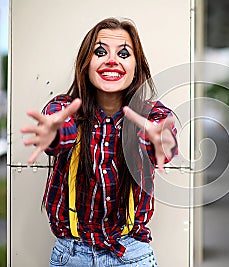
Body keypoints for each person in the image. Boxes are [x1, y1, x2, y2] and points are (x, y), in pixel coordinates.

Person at [20, 17, 177, 266]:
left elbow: (162, 140)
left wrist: (160, 142)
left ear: (137, 67)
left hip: (132, 254)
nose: (111, 60)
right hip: (70, 255)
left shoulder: (153, 115)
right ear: (86, 64)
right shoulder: (64, 108)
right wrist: (55, 134)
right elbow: (62, 131)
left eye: (124, 53)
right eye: (100, 52)